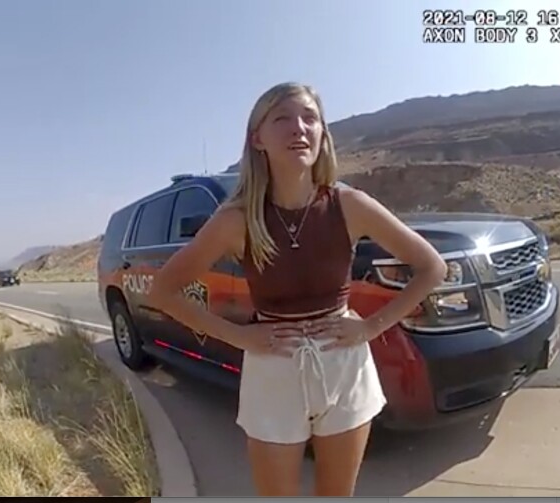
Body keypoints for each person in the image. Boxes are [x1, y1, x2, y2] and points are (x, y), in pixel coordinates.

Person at [151, 82, 447, 496]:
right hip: (274, 370)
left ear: (323, 133)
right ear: (258, 138)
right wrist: (238, 336)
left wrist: (371, 327)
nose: (299, 128)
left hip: (344, 364)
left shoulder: (350, 205)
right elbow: (163, 291)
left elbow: (432, 267)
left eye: (310, 118)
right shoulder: (236, 220)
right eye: (282, 118)